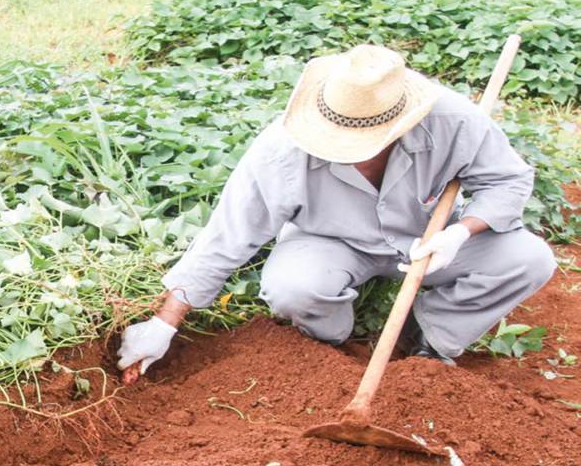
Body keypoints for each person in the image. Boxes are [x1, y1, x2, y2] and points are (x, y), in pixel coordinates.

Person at [117, 44, 556, 375]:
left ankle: (428, 340)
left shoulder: (454, 120)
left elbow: (508, 180)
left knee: (528, 260)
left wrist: (462, 232)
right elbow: (229, 234)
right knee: (295, 289)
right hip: (329, 241)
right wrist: (166, 323)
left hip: (429, 238)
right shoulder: (281, 150)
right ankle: (333, 351)